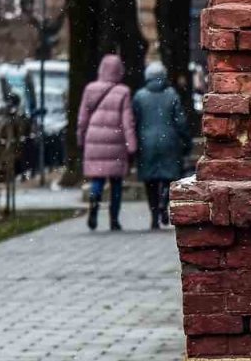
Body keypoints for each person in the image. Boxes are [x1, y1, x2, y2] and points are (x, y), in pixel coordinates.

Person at [78, 53, 137, 231]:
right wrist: (132, 144)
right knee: (116, 183)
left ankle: (94, 203)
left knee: (97, 178)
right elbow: (128, 122)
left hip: (94, 140)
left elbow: (82, 118)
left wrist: (80, 137)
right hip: (116, 141)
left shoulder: (90, 89)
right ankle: (114, 219)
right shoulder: (123, 92)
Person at [132, 61, 189, 229]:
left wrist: (135, 141)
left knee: (150, 182)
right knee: (168, 178)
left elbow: (134, 121)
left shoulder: (140, 96)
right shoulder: (172, 94)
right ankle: (164, 201)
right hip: (169, 142)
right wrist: (185, 139)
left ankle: (154, 215)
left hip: (146, 142)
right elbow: (180, 120)